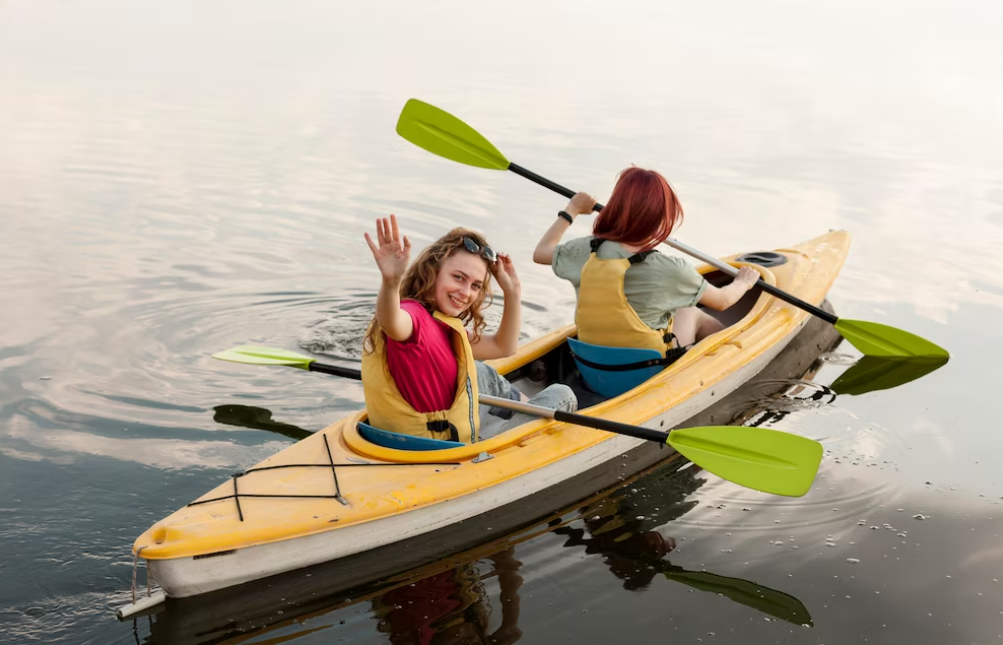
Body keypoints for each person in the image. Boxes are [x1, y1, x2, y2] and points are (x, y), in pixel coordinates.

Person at [363, 215, 576, 443]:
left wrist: (512, 291)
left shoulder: (441, 323)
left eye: (475, 285)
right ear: (433, 271)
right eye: (458, 278)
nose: (465, 292)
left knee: (479, 370)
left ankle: (519, 411)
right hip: (441, 447)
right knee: (562, 395)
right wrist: (391, 281)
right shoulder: (413, 317)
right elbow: (392, 321)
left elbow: (503, 347)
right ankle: (520, 422)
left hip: (448, 423)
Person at [533, 166, 760, 353]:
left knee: (682, 309)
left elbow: (542, 252)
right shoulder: (672, 269)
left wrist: (572, 209)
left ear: (615, 207)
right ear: (662, 218)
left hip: (593, 367)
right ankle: (734, 355)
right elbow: (721, 301)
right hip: (647, 371)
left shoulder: (586, 250)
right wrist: (744, 281)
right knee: (689, 310)